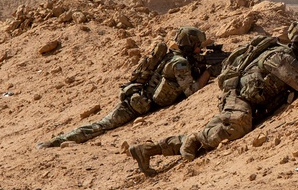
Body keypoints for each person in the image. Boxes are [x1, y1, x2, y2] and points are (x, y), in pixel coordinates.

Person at [129, 21, 298, 175]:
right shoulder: (281, 58)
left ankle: (150, 149)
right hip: (239, 100)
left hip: (242, 99)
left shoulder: (292, 56)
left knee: (209, 136)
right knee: (234, 129)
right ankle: (194, 139)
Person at [37, 26, 213, 148]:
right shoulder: (179, 64)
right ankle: (54, 142)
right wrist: (209, 73)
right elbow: (191, 90)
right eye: (198, 46)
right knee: (101, 126)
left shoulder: (176, 57)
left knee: (101, 125)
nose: (199, 49)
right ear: (190, 44)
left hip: (141, 99)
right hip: (135, 104)